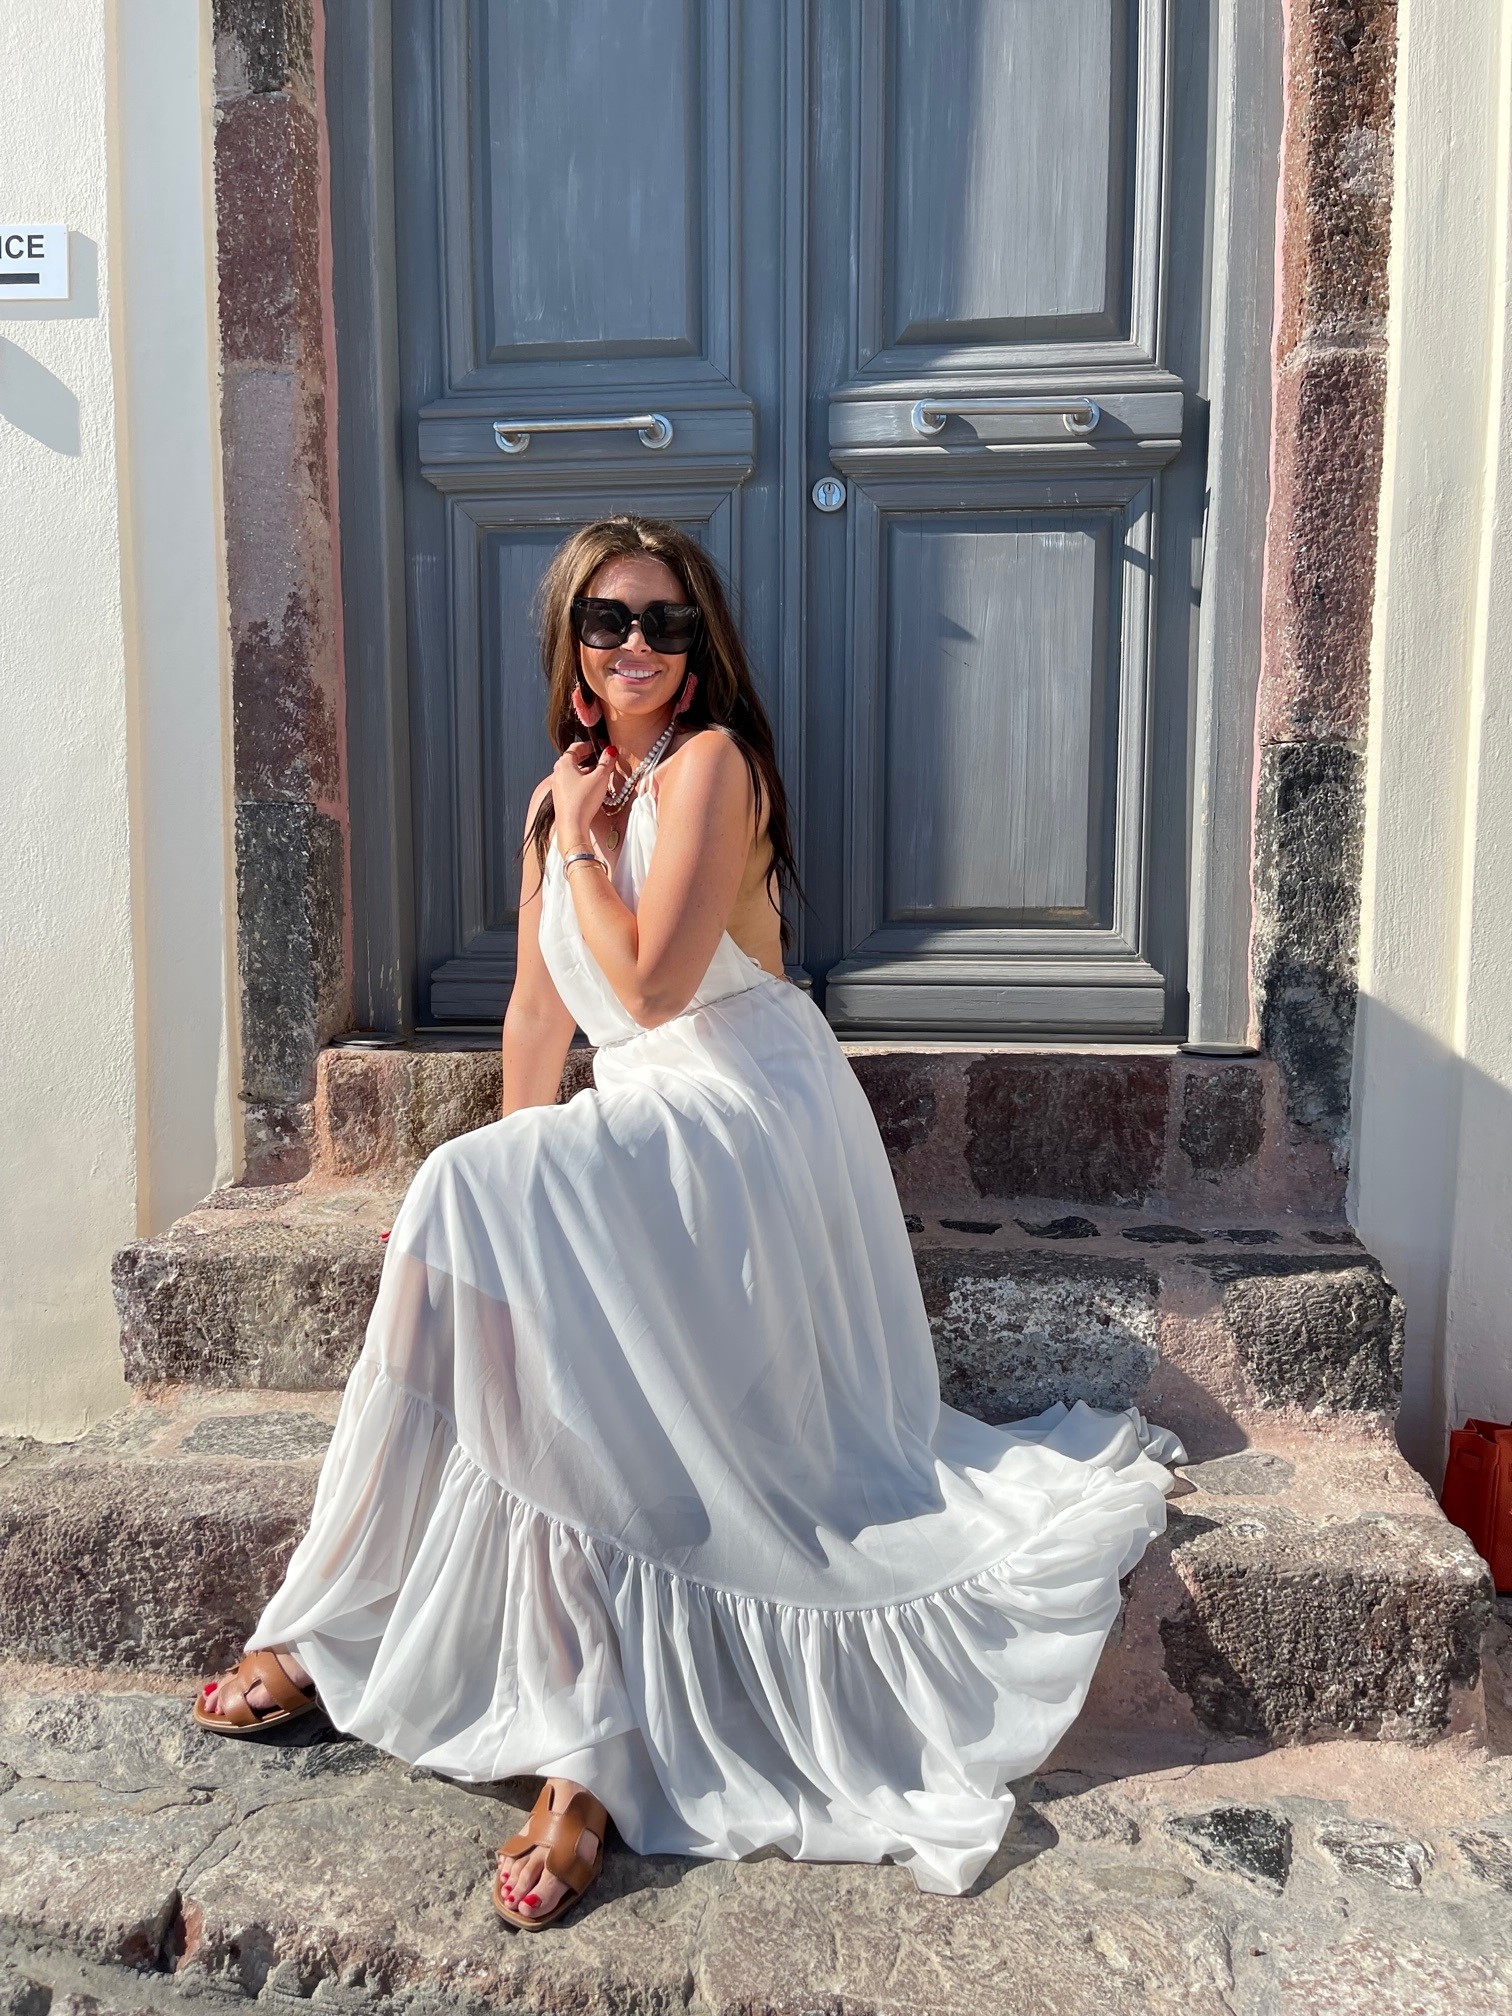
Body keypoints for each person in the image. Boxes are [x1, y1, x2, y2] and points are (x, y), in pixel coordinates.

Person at [193, 514, 1187, 1926]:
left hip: (745, 1115)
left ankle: (588, 1754)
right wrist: (515, 1184)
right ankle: (338, 1619)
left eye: (665, 622)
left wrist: (585, 848)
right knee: (476, 1207)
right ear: (573, 647)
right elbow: (539, 1014)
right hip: (642, 1124)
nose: (637, 645)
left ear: (699, 648)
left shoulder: (710, 767)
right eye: (608, 621)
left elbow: (654, 989)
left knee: (475, 1199)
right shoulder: (557, 802)